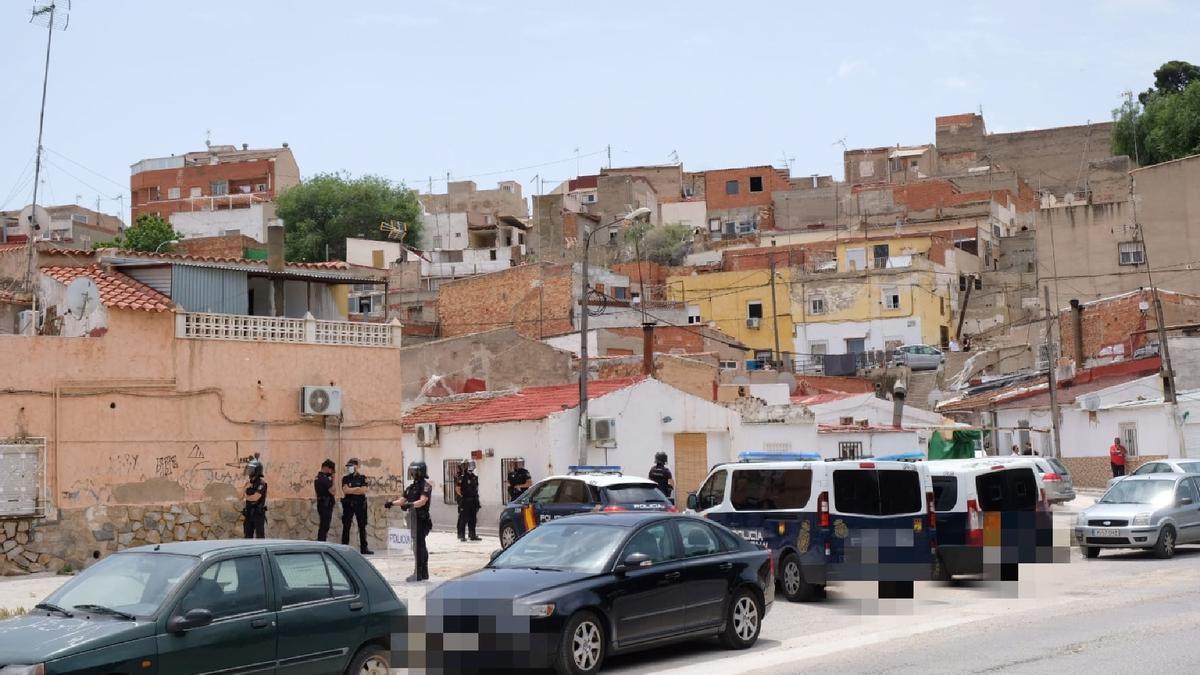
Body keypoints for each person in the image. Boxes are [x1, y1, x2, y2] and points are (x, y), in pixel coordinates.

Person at [387, 461, 433, 582]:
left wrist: (410, 505)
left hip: (421, 519)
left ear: (420, 472)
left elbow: (422, 501)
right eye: (411, 471)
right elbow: (402, 500)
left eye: (414, 471)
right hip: (412, 519)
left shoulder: (426, 485)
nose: (412, 473)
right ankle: (422, 572)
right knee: (417, 545)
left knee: (419, 546)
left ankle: (419, 572)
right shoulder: (411, 487)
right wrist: (391, 503)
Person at [340, 457, 373, 555]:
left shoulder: (362, 477)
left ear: (356, 466)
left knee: (362, 526)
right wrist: (357, 488)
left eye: (351, 466)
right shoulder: (345, 478)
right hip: (348, 505)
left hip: (360, 505)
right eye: (348, 466)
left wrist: (352, 489)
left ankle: (364, 548)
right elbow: (345, 490)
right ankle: (344, 547)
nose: (349, 468)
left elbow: (364, 490)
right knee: (346, 526)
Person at [456, 460, 482, 542]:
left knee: (473, 519)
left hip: (473, 500)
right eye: (470, 465)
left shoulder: (474, 477)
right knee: (463, 518)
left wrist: (477, 501)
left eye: (472, 465)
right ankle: (462, 535)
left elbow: (476, 489)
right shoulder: (462, 477)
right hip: (465, 501)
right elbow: (458, 489)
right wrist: (463, 497)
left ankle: (472, 535)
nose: (471, 467)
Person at [242, 457, 267, 539]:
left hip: (258, 514)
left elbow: (255, 498)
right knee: (247, 536)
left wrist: (245, 496)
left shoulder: (262, 484)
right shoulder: (248, 483)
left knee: (260, 537)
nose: (249, 471)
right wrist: (245, 488)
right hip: (249, 513)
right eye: (249, 469)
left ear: (257, 470)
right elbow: (240, 496)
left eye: (252, 469)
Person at [314, 459, 336, 542]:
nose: (331, 472)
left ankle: (321, 543)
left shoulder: (317, 477)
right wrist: (333, 480)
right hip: (326, 505)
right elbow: (333, 491)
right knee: (325, 526)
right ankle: (322, 543)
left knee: (323, 526)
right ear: (326, 468)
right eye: (331, 470)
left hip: (321, 503)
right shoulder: (324, 478)